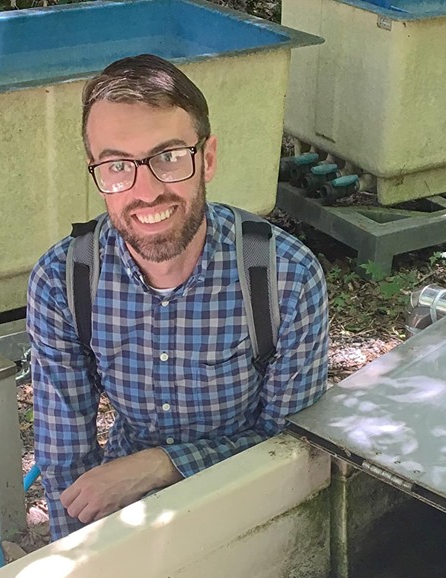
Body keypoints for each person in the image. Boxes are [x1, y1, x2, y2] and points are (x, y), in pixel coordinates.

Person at [26, 54, 329, 541]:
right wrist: (78, 567)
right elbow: (66, 455)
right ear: (97, 175)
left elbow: (293, 446)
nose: (145, 192)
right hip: (126, 507)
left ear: (206, 159)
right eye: (118, 165)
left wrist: (162, 465)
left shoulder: (283, 277)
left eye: (168, 157)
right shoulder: (63, 280)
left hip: (251, 508)